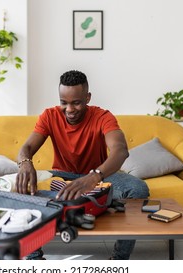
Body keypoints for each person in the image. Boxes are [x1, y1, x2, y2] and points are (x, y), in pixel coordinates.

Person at [15, 70, 149, 260]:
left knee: (138, 188)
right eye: (64, 102)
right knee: (18, 189)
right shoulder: (49, 116)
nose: (69, 109)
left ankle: (119, 259)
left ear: (87, 98)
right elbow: (26, 148)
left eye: (76, 102)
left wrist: (94, 177)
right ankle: (34, 260)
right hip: (62, 177)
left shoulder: (103, 116)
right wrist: (25, 162)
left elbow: (120, 150)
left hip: (100, 178)